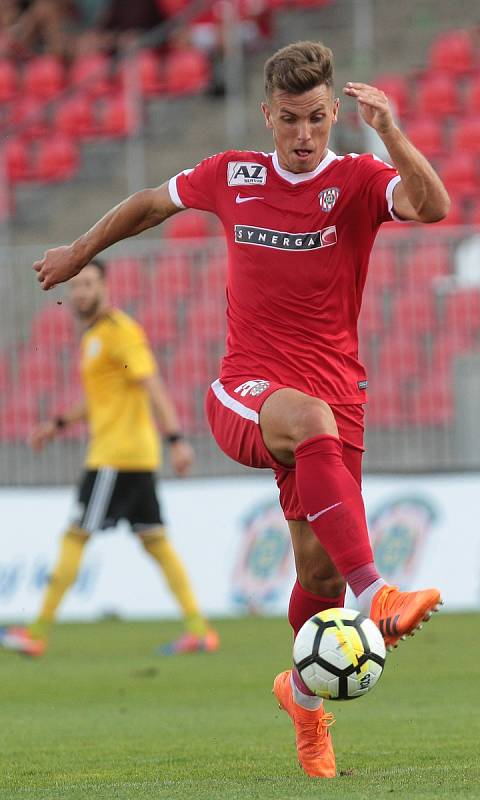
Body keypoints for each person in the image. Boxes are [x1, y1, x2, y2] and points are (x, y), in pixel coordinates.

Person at [29, 41, 449, 778]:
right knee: (313, 438)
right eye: (290, 120)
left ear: (331, 116)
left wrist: (390, 130)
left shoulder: (354, 180)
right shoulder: (233, 175)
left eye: (318, 118)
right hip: (246, 393)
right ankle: (377, 592)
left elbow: (434, 206)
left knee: (315, 577)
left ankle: (304, 704)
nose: (304, 134)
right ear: (268, 115)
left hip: (336, 397)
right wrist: (80, 249)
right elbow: (150, 204)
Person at [0, 259, 219, 658]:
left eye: (89, 284)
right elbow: (102, 396)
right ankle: (199, 629)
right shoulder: (94, 338)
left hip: (115, 456)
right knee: (156, 542)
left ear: (106, 288)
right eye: (77, 286)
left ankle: (37, 631)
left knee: (75, 535)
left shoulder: (120, 332)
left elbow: (151, 383)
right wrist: (58, 422)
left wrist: (176, 439)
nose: (82, 292)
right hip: (133, 455)